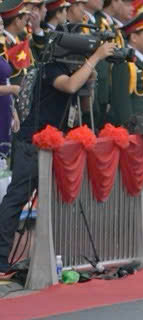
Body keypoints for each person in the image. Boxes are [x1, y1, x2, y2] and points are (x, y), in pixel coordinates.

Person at [0, 35, 116, 268]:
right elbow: (69, 85)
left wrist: (90, 81)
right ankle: (1, 258)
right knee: (17, 198)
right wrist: (95, 58)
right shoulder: (51, 68)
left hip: (53, 144)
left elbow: (84, 106)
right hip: (32, 143)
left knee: (54, 200)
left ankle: (52, 257)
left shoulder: (74, 71)